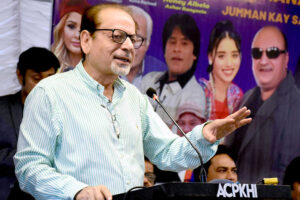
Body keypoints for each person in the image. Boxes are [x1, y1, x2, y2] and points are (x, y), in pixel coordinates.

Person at [14, 4, 252, 200]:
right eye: (117, 36)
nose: (128, 46)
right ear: (86, 40)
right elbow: (29, 168)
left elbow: (168, 153)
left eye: (133, 39)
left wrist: (205, 135)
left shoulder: (134, 98)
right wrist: (75, 191)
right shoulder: (50, 93)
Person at [225, 25, 300, 184]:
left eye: (272, 52)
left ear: (285, 59)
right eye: (257, 53)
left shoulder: (296, 106)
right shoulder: (247, 97)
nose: (263, 60)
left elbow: (288, 176)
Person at [0, 47, 59, 200]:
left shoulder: (63, 111)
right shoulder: (2, 108)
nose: (44, 85)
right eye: (37, 79)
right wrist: (31, 159)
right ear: (20, 76)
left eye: (50, 78)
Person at [141, 13, 205, 126]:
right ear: (165, 50)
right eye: (172, 42)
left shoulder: (194, 95)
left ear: (194, 53)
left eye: (184, 43)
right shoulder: (149, 80)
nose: (176, 49)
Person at [199, 20, 243, 120]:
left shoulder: (238, 95)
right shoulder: (199, 91)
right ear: (210, 57)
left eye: (234, 55)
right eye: (221, 56)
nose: (229, 63)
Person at [51, 0, 90, 72]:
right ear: (61, 29)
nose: (78, 35)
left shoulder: (96, 70)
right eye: (71, 26)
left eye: (83, 28)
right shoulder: (50, 67)